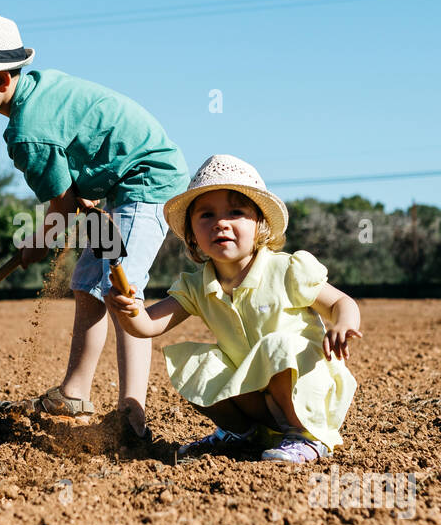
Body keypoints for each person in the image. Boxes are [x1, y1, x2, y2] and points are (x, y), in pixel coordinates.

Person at [0, 10, 187, 441]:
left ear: (2, 81)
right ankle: (74, 393)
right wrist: (65, 210)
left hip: (144, 182)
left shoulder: (27, 135)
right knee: (87, 285)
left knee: (122, 294)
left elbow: (62, 207)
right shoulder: (39, 89)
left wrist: (38, 242)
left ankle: (132, 417)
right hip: (114, 183)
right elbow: (76, 189)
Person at [104, 154, 361, 463]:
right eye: (206, 216)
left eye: (235, 212)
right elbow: (146, 326)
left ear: (260, 225)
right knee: (196, 361)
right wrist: (126, 308)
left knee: (276, 346)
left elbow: (339, 302)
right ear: (192, 234)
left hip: (310, 396)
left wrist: (342, 324)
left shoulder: (287, 269)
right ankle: (242, 433)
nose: (220, 223)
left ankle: (307, 437)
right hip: (257, 400)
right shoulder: (196, 285)